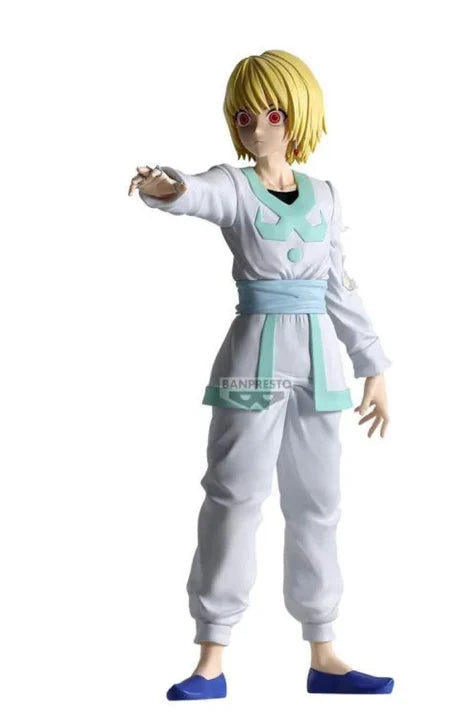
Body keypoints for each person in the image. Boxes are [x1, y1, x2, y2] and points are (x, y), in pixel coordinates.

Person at [129, 50, 393, 697]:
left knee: (318, 505)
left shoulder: (325, 195)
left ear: (296, 116)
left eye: (270, 114)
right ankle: (211, 658)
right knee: (234, 497)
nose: (256, 127)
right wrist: (166, 185)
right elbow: (195, 192)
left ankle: (324, 649)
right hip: (254, 361)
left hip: (320, 366)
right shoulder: (234, 185)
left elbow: (339, 284)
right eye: (244, 116)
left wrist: (373, 365)